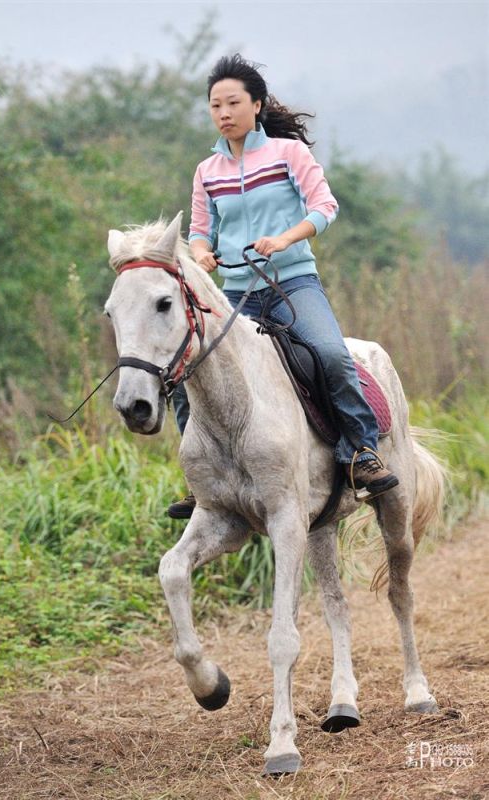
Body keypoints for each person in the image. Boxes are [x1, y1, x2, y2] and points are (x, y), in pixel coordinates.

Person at [168, 54, 398, 519]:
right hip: (235, 293)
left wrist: (285, 239)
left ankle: (361, 453)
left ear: (256, 105)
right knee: (182, 371)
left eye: (233, 102)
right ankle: (204, 478)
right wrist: (200, 254)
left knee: (330, 354)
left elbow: (325, 207)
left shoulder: (289, 154)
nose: (224, 112)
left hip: (292, 282)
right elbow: (197, 229)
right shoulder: (206, 171)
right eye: (215, 105)